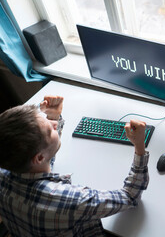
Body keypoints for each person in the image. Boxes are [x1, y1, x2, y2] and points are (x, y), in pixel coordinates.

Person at [0, 95, 149, 236]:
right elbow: (129, 196)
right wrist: (139, 146)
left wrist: (51, 115)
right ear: (38, 157)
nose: (55, 124)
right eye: (49, 129)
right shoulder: (72, 200)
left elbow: (41, 158)